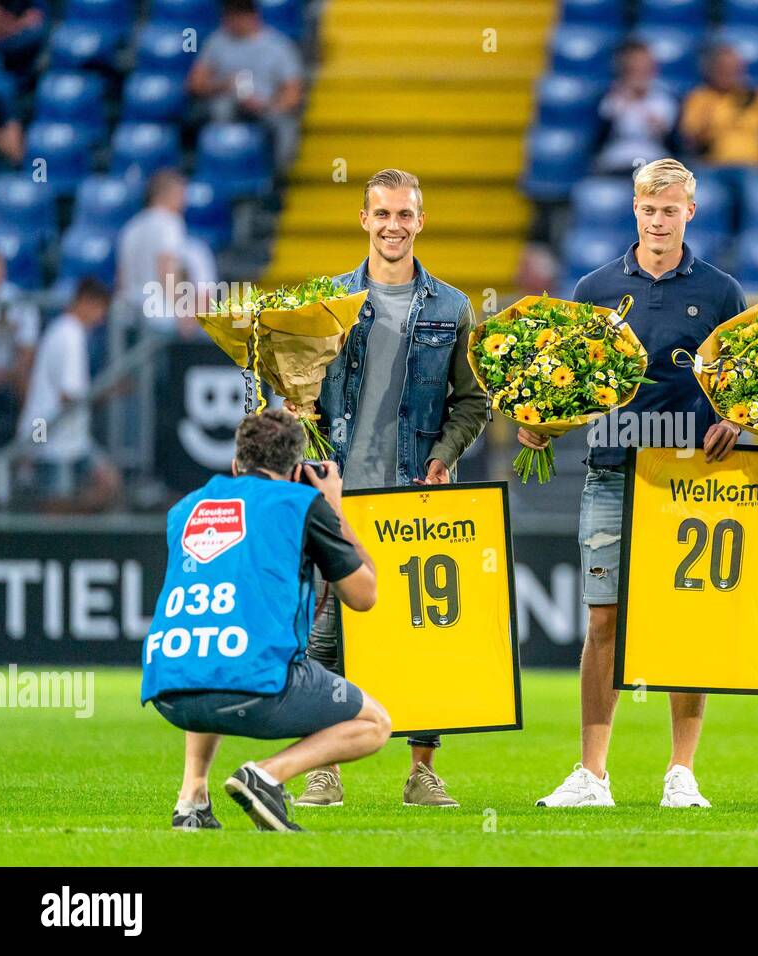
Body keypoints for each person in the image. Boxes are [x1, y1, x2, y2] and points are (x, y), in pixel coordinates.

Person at [523, 158, 746, 809]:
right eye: (648, 209)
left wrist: (734, 415)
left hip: (688, 481)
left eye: (670, 209)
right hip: (611, 471)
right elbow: (569, 380)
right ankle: (593, 775)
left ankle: (682, 773)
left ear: (689, 213)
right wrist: (544, 423)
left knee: (684, 626)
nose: (658, 219)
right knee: (603, 622)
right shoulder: (594, 289)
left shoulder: (721, 291)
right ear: (633, 209)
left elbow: (740, 378)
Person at [293, 168, 487, 809]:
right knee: (329, 631)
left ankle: (421, 771)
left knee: (424, 635)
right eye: (382, 214)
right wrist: (300, 427)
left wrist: (443, 457)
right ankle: (326, 767)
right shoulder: (327, 304)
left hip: (417, 490)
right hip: (342, 493)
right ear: (363, 219)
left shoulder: (453, 307)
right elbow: (295, 391)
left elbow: (471, 402)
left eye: (405, 214)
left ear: (420, 222)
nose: (393, 225)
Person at [142, 408, 388, 832]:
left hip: (170, 690)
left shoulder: (187, 507)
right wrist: (333, 507)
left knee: (214, 645)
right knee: (374, 723)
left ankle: (191, 799)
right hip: (253, 693)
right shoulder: (301, 503)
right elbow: (364, 597)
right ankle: (268, 775)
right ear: (296, 470)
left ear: (237, 464)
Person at [14, 278, 120, 512]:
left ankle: (74, 530)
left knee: (107, 483)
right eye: (100, 309)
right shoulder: (69, 334)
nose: (101, 318)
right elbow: (69, 396)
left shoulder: (65, 330)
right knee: (54, 506)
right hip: (48, 434)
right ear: (86, 302)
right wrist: (110, 391)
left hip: (68, 436)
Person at [679, 44, 758, 229]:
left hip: (751, 167)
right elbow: (689, 138)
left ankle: (751, 243)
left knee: (756, 199)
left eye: (733, 68)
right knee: (697, 201)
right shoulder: (700, 97)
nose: (728, 73)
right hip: (712, 166)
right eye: (722, 68)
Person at [186, 0, 305, 172]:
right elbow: (195, 84)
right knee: (220, 109)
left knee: (283, 124)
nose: (231, 22)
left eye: (237, 16)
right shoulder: (217, 41)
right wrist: (223, 85)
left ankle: (276, 179)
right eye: (229, 16)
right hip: (228, 102)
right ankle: (220, 168)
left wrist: (267, 105)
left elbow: (293, 94)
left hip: (266, 106)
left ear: (252, 16)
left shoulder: (278, 45)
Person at [115, 169, 195, 341]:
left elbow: (121, 277)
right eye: (181, 195)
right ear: (164, 194)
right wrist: (182, 310)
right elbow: (166, 267)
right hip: (158, 314)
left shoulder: (131, 227)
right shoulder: (169, 223)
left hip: (128, 314)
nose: (185, 202)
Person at [594, 40, 679, 176]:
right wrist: (621, 104)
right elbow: (599, 137)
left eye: (643, 69)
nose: (638, 74)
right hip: (617, 160)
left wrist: (659, 127)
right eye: (633, 69)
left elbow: (673, 142)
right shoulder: (610, 98)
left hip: (654, 160)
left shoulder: (665, 100)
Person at [0, 247, 38, 446]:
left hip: (12, 373)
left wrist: (8, 373)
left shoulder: (19, 300)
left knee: (29, 381)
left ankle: (33, 445)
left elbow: (27, 349)